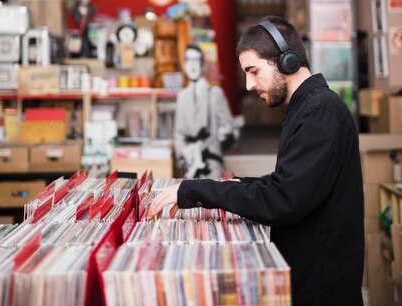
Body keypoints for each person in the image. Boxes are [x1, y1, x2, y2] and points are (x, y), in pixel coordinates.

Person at [148, 16, 364, 306]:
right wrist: (234, 185)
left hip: (322, 288)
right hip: (313, 277)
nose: (249, 85)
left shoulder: (320, 112)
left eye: (253, 71)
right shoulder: (309, 108)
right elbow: (290, 183)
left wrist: (195, 190)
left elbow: (283, 199)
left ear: (287, 61)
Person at [173, 43, 238, 179]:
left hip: (211, 162)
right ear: (184, 65)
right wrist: (184, 152)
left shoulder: (215, 93)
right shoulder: (182, 96)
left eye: (196, 60)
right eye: (188, 60)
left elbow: (229, 127)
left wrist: (226, 132)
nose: (192, 65)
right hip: (189, 164)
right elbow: (178, 134)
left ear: (203, 65)